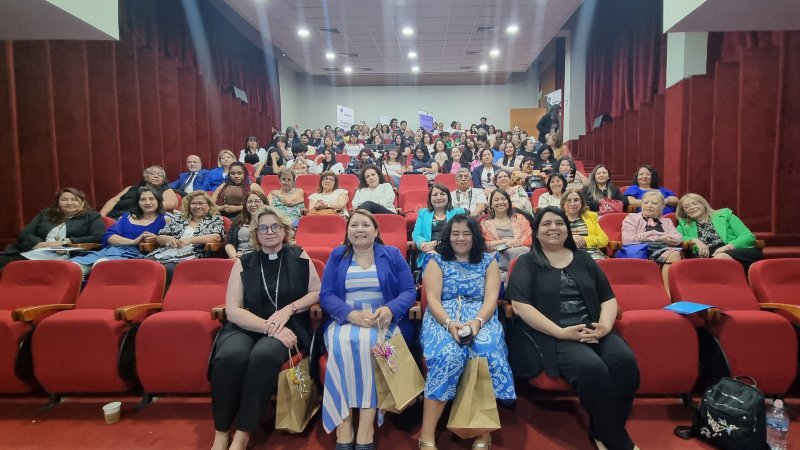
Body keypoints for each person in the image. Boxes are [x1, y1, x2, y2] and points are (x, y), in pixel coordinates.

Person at [506, 206, 640, 450]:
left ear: (567, 229)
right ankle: (615, 439)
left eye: (559, 223)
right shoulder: (526, 262)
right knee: (592, 368)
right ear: (536, 232)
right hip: (554, 333)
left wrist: (605, 326)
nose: (553, 228)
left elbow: (607, 297)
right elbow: (520, 306)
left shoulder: (583, 258)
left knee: (625, 361)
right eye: (546, 224)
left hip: (593, 328)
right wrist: (560, 332)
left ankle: (602, 429)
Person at [210, 206, 320, 450]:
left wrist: (289, 309)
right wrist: (269, 326)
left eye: (275, 227)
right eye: (263, 228)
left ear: (284, 230)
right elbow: (234, 309)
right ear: (255, 234)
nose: (269, 232)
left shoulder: (299, 256)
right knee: (230, 356)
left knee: (264, 356)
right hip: (247, 325)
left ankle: (243, 433)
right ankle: (221, 431)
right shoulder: (243, 263)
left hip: (288, 325)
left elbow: (316, 291)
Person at [319, 209, 416, 449]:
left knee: (371, 345)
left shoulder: (392, 254)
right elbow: (327, 294)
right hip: (345, 320)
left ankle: (365, 428)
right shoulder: (337, 255)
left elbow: (409, 291)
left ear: (376, 231)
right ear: (347, 231)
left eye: (365, 225)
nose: (360, 229)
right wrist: (350, 314)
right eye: (354, 225)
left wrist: (390, 309)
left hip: (382, 321)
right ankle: (344, 425)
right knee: (342, 344)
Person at [418, 214, 515, 450]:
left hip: (481, 315)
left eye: (466, 233)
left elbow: (492, 297)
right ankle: (427, 433)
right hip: (443, 317)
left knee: (487, 350)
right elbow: (432, 299)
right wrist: (450, 324)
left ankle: (483, 430)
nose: (460, 238)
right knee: (448, 353)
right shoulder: (436, 260)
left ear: (474, 236)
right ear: (447, 237)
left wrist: (478, 322)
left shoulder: (488, 260)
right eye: (455, 233)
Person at [70, 187, 169, 276]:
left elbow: (170, 241)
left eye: (152, 199)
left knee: (102, 264)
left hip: (136, 256)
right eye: (143, 199)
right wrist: (133, 241)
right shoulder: (127, 216)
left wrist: (155, 239)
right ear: (138, 202)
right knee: (72, 268)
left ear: (158, 201)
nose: (147, 202)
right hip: (109, 251)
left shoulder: (166, 219)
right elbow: (109, 236)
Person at [1, 188, 104, 268]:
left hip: (68, 254)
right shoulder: (46, 214)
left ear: (82, 203)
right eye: (64, 199)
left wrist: (66, 242)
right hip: (35, 251)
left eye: (74, 200)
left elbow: (98, 237)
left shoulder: (92, 217)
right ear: (58, 203)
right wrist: (38, 244)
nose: (69, 203)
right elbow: (24, 234)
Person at [146, 191, 224, 284]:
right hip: (168, 251)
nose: (197, 206)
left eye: (201, 203)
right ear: (188, 205)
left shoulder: (214, 219)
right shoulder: (179, 218)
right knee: (145, 264)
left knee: (168, 268)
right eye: (194, 203)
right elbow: (160, 237)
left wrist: (189, 240)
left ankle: (165, 297)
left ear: (208, 205)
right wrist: (169, 239)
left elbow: (216, 237)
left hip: (193, 254)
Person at [676, 193, 762, 270]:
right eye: (686, 207)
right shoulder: (684, 225)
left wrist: (727, 247)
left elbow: (748, 236)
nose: (692, 207)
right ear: (685, 212)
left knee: (720, 257)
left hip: (737, 251)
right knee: (715, 260)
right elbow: (675, 237)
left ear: (703, 204)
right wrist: (695, 240)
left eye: (695, 203)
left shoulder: (725, 215)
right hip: (710, 258)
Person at [621, 190, 683, 291]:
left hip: (665, 251)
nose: (649, 206)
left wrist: (646, 236)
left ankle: (669, 294)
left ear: (662, 207)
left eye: (654, 203)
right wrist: (661, 238)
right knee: (674, 255)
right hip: (642, 252)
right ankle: (668, 294)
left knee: (674, 254)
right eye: (646, 202)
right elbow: (627, 240)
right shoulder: (632, 218)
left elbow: (678, 238)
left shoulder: (667, 221)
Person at [412, 184, 467, 269]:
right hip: (429, 253)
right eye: (434, 195)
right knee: (432, 259)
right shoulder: (423, 213)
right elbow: (416, 234)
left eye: (442, 194)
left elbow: (460, 236)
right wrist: (424, 246)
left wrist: (436, 244)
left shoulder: (458, 213)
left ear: (448, 197)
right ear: (430, 198)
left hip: (453, 252)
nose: (438, 197)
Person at [481, 189, 532, 275]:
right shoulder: (485, 223)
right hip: (498, 252)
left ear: (508, 202)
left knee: (525, 250)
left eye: (503, 199)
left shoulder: (519, 218)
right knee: (524, 252)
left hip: (520, 247)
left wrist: (516, 244)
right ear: (491, 205)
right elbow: (487, 245)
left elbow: (528, 237)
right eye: (496, 200)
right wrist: (505, 243)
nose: (500, 202)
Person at [100, 165, 178, 218]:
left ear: (163, 180)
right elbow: (113, 201)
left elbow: (170, 204)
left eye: (160, 175)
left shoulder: (166, 189)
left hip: (139, 218)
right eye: (153, 173)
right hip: (115, 215)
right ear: (146, 176)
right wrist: (102, 215)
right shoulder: (130, 188)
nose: (156, 176)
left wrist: (140, 211)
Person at [561, 189, 609, 260]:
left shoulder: (591, 217)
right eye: (568, 200)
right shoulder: (558, 219)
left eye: (576, 200)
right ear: (563, 203)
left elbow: (604, 240)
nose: (572, 203)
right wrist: (571, 239)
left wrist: (584, 240)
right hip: (567, 255)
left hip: (593, 256)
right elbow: (552, 241)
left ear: (581, 202)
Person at [225, 191, 269, 259]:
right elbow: (229, 243)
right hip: (239, 258)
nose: (253, 204)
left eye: (257, 201)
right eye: (250, 202)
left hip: (261, 258)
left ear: (265, 203)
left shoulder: (271, 221)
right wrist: (234, 256)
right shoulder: (239, 220)